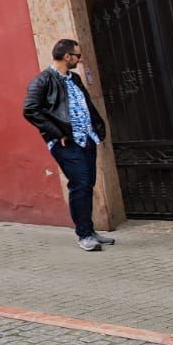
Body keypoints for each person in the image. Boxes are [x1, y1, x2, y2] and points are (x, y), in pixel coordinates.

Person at [23, 38, 113, 251]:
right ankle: (83, 235)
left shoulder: (75, 78)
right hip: (66, 143)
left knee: (87, 184)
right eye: (77, 56)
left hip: (86, 138)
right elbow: (30, 110)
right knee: (79, 184)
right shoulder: (43, 80)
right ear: (67, 56)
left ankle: (89, 230)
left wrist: (97, 129)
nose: (79, 60)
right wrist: (57, 133)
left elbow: (85, 104)